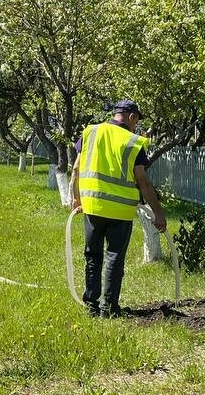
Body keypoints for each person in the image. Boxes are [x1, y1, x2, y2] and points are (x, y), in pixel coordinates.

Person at [70, 99, 167, 318]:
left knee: (92, 256)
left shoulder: (91, 132)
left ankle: (91, 306)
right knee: (114, 257)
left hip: (93, 207)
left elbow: (76, 168)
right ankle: (109, 308)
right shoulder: (133, 142)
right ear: (132, 117)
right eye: (137, 120)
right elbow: (143, 182)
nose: (136, 125)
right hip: (120, 211)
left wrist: (77, 198)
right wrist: (159, 213)